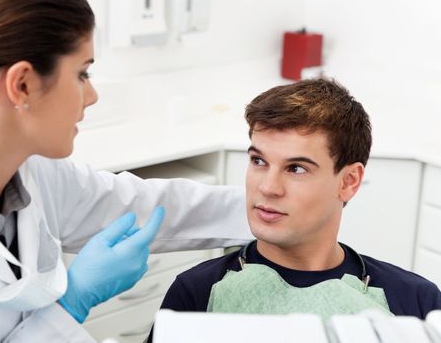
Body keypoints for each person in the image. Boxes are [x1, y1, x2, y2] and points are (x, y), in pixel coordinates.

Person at [0, 0, 252, 342]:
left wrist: (269, 210)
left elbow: (146, 204)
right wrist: (71, 305)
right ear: (23, 85)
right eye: (82, 73)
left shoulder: (34, 173)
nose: (91, 96)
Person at [150, 78, 441, 340]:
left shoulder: (416, 303)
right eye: (259, 161)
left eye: (296, 168)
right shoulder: (195, 294)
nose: (268, 187)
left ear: (349, 181)